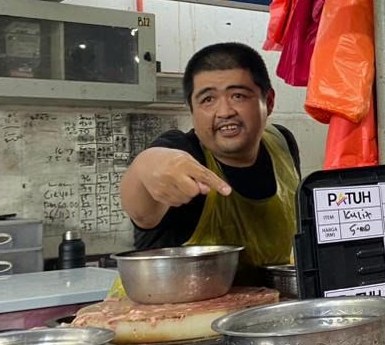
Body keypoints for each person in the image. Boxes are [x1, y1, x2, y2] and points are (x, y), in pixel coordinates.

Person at [120, 42, 300, 277]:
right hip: (166, 309)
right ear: (192, 111)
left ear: (269, 101)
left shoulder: (281, 142)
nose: (224, 111)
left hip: (260, 308)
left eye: (238, 95)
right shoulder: (183, 152)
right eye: (207, 100)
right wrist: (145, 164)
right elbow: (142, 209)